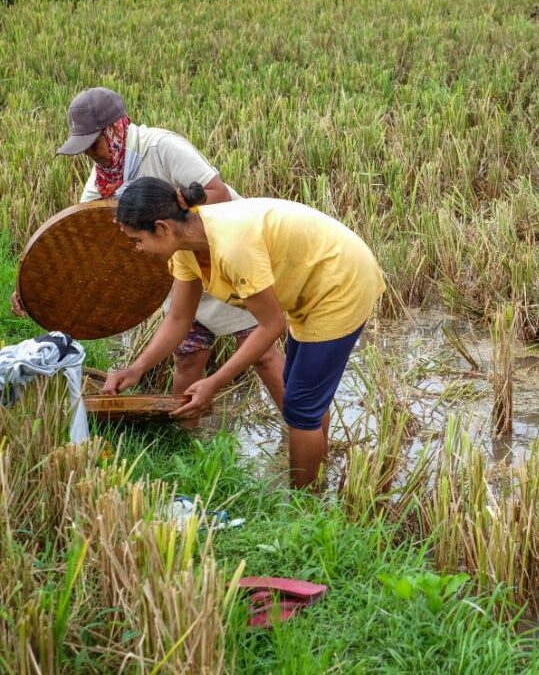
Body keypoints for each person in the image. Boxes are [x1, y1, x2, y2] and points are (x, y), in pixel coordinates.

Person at [11, 87, 285, 412]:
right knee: (189, 356)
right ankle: (185, 442)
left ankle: (299, 426)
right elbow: (82, 245)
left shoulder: (160, 147)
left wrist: (174, 210)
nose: (90, 154)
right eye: (82, 148)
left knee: (263, 355)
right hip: (179, 268)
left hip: (224, 255)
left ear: (113, 128)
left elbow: (219, 194)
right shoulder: (103, 181)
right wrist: (33, 288)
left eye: (92, 144)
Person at [101, 178, 385, 488]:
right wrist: (135, 369)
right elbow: (179, 319)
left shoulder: (232, 244)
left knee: (301, 408)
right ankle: (316, 470)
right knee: (301, 393)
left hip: (340, 282)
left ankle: (304, 508)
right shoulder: (186, 248)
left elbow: (271, 325)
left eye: (136, 240)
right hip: (310, 285)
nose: (137, 249)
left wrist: (214, 382)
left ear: (162, 227)